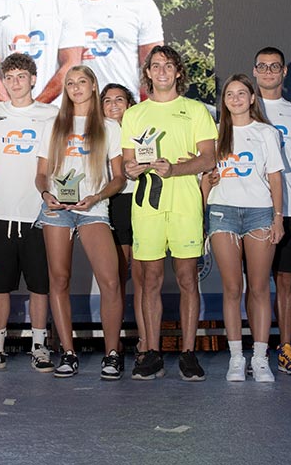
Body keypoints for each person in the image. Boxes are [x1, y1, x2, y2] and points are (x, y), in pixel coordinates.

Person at [121, 45, 216, 382]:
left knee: (188, 279)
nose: (162, 71)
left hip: (185, 203)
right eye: (156, 65)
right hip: (147, 205)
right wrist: (131, 169)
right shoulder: (134, 114)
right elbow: (127, 163)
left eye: (168, 65)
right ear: (148, 72)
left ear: (178, 72)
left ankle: (188, 353)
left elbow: (209, 158)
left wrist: (175, 169)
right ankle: (152, 352)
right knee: (150, 281)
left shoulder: (196, 110)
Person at [35, 65, 125, 379]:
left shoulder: (109, 127)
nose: (76, 88)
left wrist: (97, 196)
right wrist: (46, 193)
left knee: (110, 281)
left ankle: (112, 354)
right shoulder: (52, 124)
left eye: (82, 82)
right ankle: (68, 352)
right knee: (59, 280)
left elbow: (119, 178)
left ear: (93, 85)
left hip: (93, 208)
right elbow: (41, 174)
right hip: (57, 209)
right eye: (70, 83)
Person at [202, 74, 284, 383]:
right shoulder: (214, 134)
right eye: (229, 94)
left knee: (259, 288)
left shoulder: (266, 132)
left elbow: (275, 177)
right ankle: (236, 358)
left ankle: (260, 358)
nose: (235, 99)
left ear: (252, 98)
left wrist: (278, 218)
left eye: (241, 93)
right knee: (233, 288)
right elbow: (206, 180)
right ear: (223, 101)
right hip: (222, 213)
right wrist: (207, 186)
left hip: (259, 214)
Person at [0, 53, 58, 373]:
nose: (15, 83)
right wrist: (11, 170)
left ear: (33, 79)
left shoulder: (51, 114)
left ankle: (39, 346)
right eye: (9, 77)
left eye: (21, 76)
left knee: (40, 286)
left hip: (39, 215)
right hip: (1, 214)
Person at [252, 47, 291, 376]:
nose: (268, 72)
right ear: (254, 71)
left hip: (289, 207)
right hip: (250, 207)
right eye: (262, 66)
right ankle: (256, 351)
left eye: (275, 67)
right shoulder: (242, 106)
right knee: (255, 284)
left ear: (284, 72)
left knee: (285, 281)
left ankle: (286, 348)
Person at [100, 83, 146, 354]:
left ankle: (144, 342)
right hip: (112, 204)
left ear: (130, 104)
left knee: (141, 278)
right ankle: (113, 344)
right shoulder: (97, 132)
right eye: (107, 100)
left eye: (120, 99)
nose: (114, 105)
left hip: (139, 202)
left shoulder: (141, 130)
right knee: (115, 279)